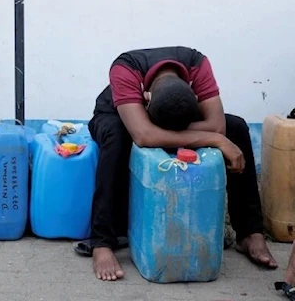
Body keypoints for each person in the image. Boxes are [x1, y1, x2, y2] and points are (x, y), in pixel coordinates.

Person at [86, 46, 278, 281]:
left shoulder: (198, 64)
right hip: (115, 116)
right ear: (146, 98)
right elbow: (144, 135)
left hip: (171, 114)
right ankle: (101, 242)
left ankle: (250, 233)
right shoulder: (125, 68)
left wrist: (217, 134)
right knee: (117, 136)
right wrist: (215, 139)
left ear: (193, 92)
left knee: (235, 127)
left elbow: (218, 124)